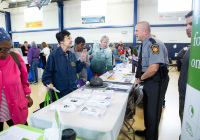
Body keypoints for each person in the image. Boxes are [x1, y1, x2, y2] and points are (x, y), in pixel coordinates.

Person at [134, 21, 169, 140]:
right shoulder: (144, 44)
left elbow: (154, 68)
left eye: (136, 31)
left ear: (145, 31)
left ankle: (152, 137)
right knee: (147, 109)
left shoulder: (155, 44)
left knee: (153, 111)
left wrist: (141, 78)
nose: (135, 33)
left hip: (157, 80)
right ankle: (147, 131)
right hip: (149, 80)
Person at [0, 28, 33, 131]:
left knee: (22, 131)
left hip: (16, 106)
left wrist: (28, 95)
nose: (6, 52)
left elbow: (24, 81)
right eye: (2, 49)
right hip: (2, 108)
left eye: (8, 49)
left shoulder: (16, 58)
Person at [42, 30, 87, 100]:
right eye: (68, 38)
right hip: (60, 93)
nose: (71, 40)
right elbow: (46, 74)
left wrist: (81, 60)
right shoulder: (54, 55)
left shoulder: (71, 55)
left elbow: (76, 70)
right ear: (61, 41)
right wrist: (49, 84)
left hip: (72, 90)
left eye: (71, 38)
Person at [178, 11, 193, 124]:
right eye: (186, 25)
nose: (187, 28)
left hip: (191, 98)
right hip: (184, 95)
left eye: (191, 24)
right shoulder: (191, 47)